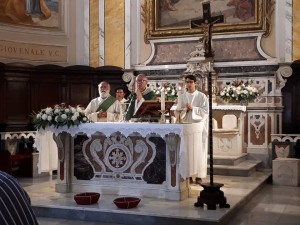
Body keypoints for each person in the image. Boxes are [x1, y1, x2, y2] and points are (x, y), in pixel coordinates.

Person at [176, 74, 209, 185]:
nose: (189, 84)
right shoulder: (182, 96)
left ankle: (199, 175)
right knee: (187, 150)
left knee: (199, 150)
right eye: (187, 82)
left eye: (191, 82)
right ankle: (189, 174)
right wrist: (184, 110)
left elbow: (205, 112)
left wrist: (193, 109)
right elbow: (178, 110)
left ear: (195, 83)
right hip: (186, 127)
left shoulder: (202, 96)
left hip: (199, 127)